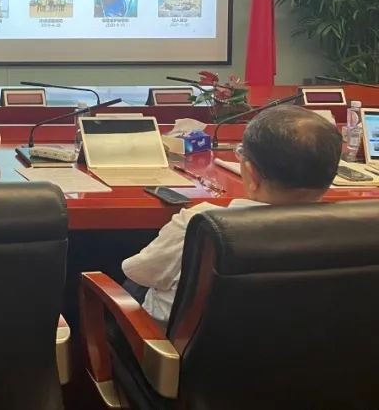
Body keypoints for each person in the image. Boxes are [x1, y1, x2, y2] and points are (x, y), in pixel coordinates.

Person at [121, 105, 341, 325]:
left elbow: (138, 272)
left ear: (252, 175)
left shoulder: (200, 222)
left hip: (171, 343)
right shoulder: (349, 228)